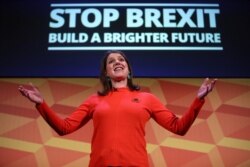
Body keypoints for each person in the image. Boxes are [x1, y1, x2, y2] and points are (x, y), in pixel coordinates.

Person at [18, 50, 216, 167]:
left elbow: (178, 127)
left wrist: (198, 101)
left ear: (129, 69)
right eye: (111, 62)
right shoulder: (94, 100)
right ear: (106, 72)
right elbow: (65, 127)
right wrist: (40, 103)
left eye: (121, 60)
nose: (117, 62)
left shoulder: (146, 98)